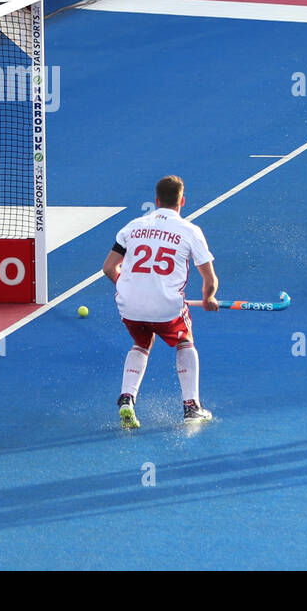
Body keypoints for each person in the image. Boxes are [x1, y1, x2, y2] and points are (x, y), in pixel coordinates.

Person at [102, 175, 219, 429]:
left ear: (156, 201)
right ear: (182, 201)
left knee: (142, 341)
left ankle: (126, 398)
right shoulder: (190, 231)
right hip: (165, 307)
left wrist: (132, 287)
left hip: (128, 303)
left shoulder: (133, 225)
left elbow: (109, 268)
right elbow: (209, 279)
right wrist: (209, 297)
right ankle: (191, 407)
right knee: (185, 339)